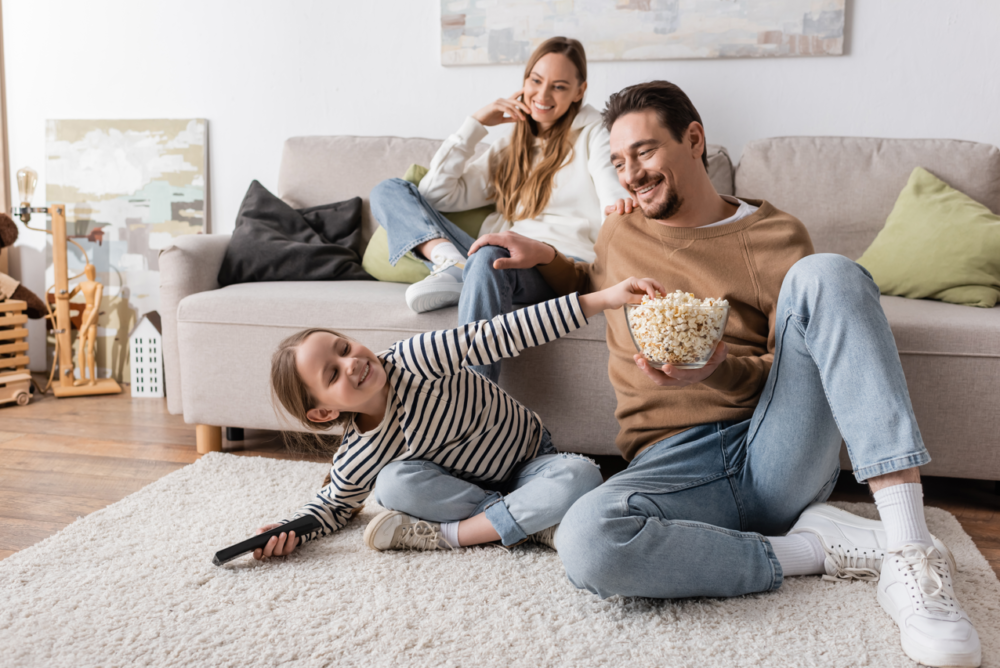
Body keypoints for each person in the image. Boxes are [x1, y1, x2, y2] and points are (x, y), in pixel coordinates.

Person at [468, 81, 982, 668]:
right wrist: (548, 259)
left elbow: (797, 368)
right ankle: (813, 551)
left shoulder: (776, 236)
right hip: (671, 465)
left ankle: (911, 555)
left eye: (645, 151)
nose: (630, 173)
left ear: (694, 140)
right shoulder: (619, 230)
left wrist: (716, 371)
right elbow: (592, 279)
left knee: (830, 274)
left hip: (774, 449)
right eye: (617, 161)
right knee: (587, 542)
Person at [250, 277, 662, 559]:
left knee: (580, 475)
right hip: (465, 494)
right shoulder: (359, 455)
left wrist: (603, 298)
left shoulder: (416, 359)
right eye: (333, 374)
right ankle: (528, 523)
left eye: (343, 348)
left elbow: (504, 332)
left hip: (531, 463)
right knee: (391, 484)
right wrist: (289, 531)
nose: (352, 362)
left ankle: (458, 535)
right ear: (324, 411)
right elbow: (333, 507)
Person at [368, 36, 628, 383]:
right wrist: (475, 124)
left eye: (559, 86)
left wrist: (623, 206)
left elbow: (612, 193)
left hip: (555, 264)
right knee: (389, 190)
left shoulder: (595, 133)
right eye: (535, 80)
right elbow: (435, 195)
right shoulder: (511, 142)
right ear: (524, 81)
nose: (543, 95)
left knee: (489, 253)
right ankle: (450, 261)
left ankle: (475, 399)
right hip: (491, 256)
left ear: (579, 91)